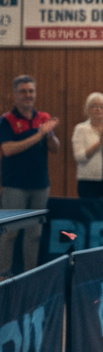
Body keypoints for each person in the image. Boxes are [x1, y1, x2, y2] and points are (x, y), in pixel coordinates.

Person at [0, 75, 59, 276]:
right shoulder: (6, 120)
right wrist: (39, 134)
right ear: (14, 95)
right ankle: (3, 276)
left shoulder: (43, 118)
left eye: (31, 91)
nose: (28, 95)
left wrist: (50, 135)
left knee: (34, 234)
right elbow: (8, 149)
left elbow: (55, 148)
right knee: (10, 232)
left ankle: (29, 275)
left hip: (40, 185)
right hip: (14, 185)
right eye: (23, 91)